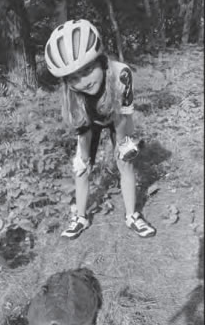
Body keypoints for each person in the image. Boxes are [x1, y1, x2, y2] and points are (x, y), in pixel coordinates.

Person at [45, 19, 156, 239]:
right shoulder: (73, 94)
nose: (83, 81)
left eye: (87, 70)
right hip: (90, 123)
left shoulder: (121, 74)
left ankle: (132, 215)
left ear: (101, 60)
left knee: (125, 163)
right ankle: (80, 217)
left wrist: (124, 146)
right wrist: (83, 158)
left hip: (117, 117)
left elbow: (125, 117)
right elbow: (82, 128)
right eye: (74, 78)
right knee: (82, 169)